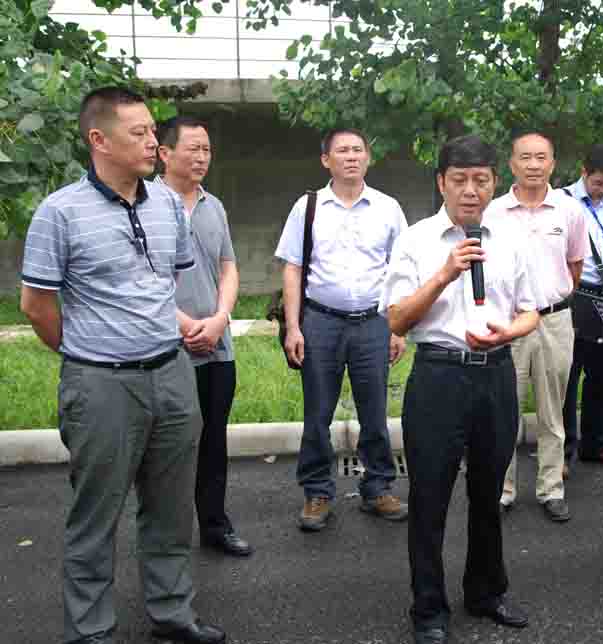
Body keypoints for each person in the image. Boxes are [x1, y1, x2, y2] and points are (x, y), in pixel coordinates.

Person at [19, 87, 224, 644]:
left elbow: (160, 284)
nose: (154, 141)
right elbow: (36, 305)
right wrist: (84, 354)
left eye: (153, 130)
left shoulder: (166, 205)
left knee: (172, 509)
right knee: (96, 514)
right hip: (101, 385)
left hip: (172, 375)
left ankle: (172, 613)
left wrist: (172, 331)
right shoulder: (60, 212)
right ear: (99, 140)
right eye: (139, 133)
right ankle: (90, 631)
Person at [382, 134, 539, 644]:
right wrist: (445, 273)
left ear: (494, 183)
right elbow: (397, 319)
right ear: (441, 183)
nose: (470, 190)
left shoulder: (512, 239)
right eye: (459, 180)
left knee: (488, 493)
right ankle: (428, 608)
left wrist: (508, 332)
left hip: (496, 374)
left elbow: (531, 311)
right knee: (429, 496)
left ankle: (486, 591)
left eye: (481, 180)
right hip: (438, 377)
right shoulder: (416, 240)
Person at [274, 127, 409, 531]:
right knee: (317, 413)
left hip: (373, 323)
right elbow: (293, 268)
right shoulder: (308, 207)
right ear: (326, 160)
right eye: (342, 151)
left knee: (375, 411)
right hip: (321, 323)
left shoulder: (388, 208)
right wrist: (293, 327)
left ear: (368, 157)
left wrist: (398, 328)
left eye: (357, 150)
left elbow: (401, 271)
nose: (351, 156)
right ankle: (317, 492)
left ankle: (378, 487)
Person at [157, 116, 252, 557]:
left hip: (217, 346)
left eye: (207, 149)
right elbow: (141, 279)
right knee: (171, 447)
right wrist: (184, 325)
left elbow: (228, 267)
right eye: (193, 148)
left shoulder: (215, 206)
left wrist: (220, 319)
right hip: (168, 347)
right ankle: (167, 538)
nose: (202, 157)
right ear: (165, 153)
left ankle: (215, 525)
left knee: (214, 441)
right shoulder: (145, 206)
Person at [486, 130, 588, 522]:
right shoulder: (493, 212)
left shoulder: (569, 211)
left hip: (555, 320)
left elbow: (575, 265)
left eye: (541, 157)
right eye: (525, 157)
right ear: (512, 164)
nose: (533, 165)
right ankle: (502, 489)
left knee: (553, 410)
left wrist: (551, 299)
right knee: (503, 411)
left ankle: (551, 488)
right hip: (507, 324)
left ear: (552, 163)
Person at [559, 145, 603, 470]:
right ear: (584, 172)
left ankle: (596, 444)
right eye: (598, 183)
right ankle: (562, 453)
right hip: (576, 294)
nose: (602, 190)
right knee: (568, 377)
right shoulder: (563, 201)